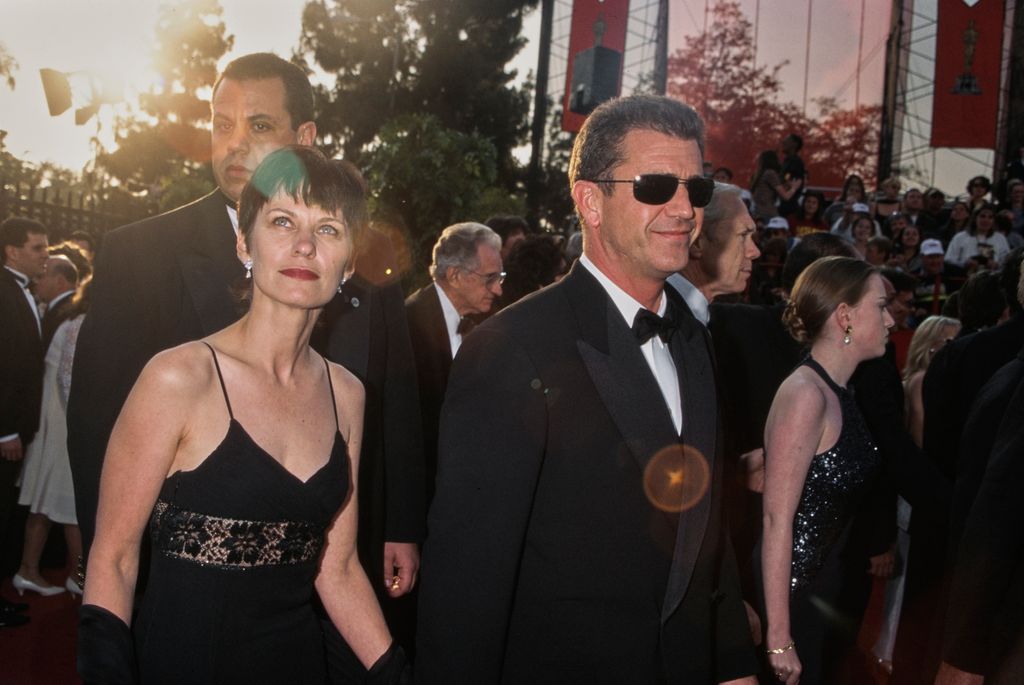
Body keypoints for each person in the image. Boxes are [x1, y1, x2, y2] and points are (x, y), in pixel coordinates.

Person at [67, 54, 425, 633]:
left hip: (336, 570)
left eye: (259, 125)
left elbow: (397, 397)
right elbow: (95, 425)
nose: (235, 143)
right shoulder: (140, 254)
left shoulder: (367, 257)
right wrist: (115, 576)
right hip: (189, 594)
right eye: (221, 124)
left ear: (304, 137)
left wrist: (401, 524)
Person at [416, 94, 758, 683]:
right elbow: (468, 583)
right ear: (590, 201)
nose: (684, 209)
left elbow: (706, 535)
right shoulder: (510, 348)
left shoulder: (695, 339)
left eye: (696, 189)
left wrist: (733, 668)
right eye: (656, 186)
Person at [760, 256, 893, 685]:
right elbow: (776, 519)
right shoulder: (806, 395)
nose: (891, 320)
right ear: (845, 315)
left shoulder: (839, 391)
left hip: (826, 590)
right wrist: (779, 637)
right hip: (796, 598)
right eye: (881, 306)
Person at [405, 222, 503, 505]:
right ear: (455, 276)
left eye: (501, 277)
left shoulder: (489, 322)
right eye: (490, 278)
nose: (498, 289)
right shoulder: (409, 325)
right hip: (425, 492)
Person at [13, 267, 89, 599]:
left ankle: (28, 570)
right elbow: (68, 382)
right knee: (68, 504)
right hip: (62, 423)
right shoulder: (80, 325)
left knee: (44, 499)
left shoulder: (74, 321)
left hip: (53, 420)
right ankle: (79, 577)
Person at [0, 217, 48, 628]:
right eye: (37, 248)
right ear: (12, 252)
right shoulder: (4, 291)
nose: (46, 255)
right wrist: (6, 430)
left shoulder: (22, 290)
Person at [670, 181, 761, 323]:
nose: (755, 252)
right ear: (697, 242)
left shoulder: (701, 317)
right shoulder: (659, 314)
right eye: (743, 235)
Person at [945, 204, 1010, 270]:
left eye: (990, 217)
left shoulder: (1000, 238)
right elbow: (948, 259)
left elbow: (1006, 261)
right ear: (975, 218)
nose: (986, 220)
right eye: (982, 216)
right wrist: (965, 263)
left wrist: (996, 265)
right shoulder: (960, 237)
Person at [750, 150, 802, 221]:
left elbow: (775, 188)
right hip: (768, 213)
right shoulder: (770, 173)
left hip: (758, 212)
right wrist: (794, 187)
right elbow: (785, 197)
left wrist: (787, 185)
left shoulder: (761, 174)